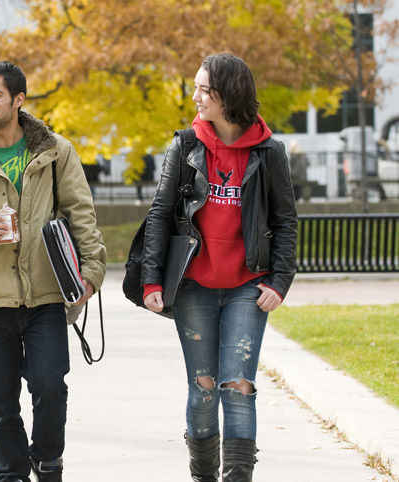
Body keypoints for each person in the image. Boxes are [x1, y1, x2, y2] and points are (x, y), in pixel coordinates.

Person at [0, 60, 106, 482]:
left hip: (47, 293)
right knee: (1, 402)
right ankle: (10, 474)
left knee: (50, 386)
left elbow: (80, 212)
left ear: (18, 99)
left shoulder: (55, 151)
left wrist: (92, 272)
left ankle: (47, 461)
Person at [141, 53, 297, 482]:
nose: (195, 97)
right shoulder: (185, 146)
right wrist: (152, 278)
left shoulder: (269, 152)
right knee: (204, 386)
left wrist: (280, 281)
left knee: (239, 388)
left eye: (203, 89)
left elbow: (285, 221)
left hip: (249, 286)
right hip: (195, 287)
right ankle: (204, 476)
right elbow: (160, 213)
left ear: (228, 93)